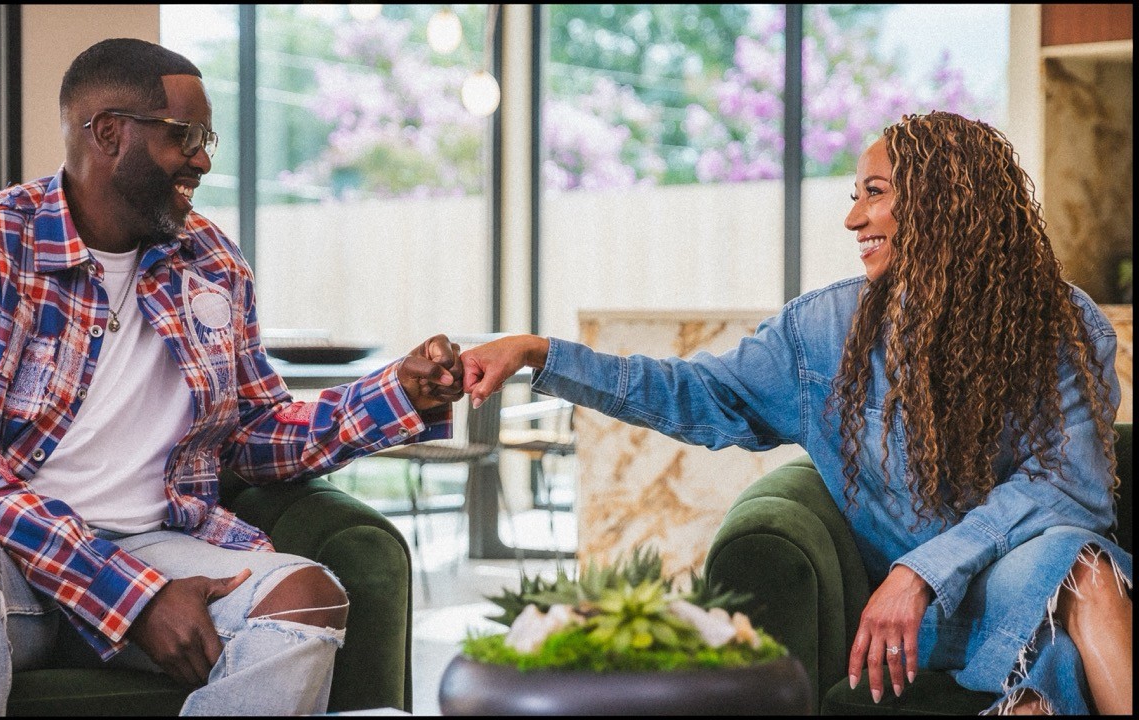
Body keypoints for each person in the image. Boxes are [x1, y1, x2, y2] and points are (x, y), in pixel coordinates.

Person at [0, 37, 465, 717]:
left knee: (304, 599)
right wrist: (132, 599)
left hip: (151, 543)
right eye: (185, 136)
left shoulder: (211, 262)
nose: (203, 160)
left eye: (206, 139)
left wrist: (399, 394)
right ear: (109, 133)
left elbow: (254, 433)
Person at [460, 111, 1131, 715]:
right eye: (854, 196)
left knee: (1084, 574)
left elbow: (1070, 486)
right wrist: (541, 355)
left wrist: (924, 569)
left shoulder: (1062, 326)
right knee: (1062, 649)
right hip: (919, 622)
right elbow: (694, 392)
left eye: (874, 192)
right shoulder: (824, 333)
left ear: (944, 202)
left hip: (1016, 579)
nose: (853, 219)